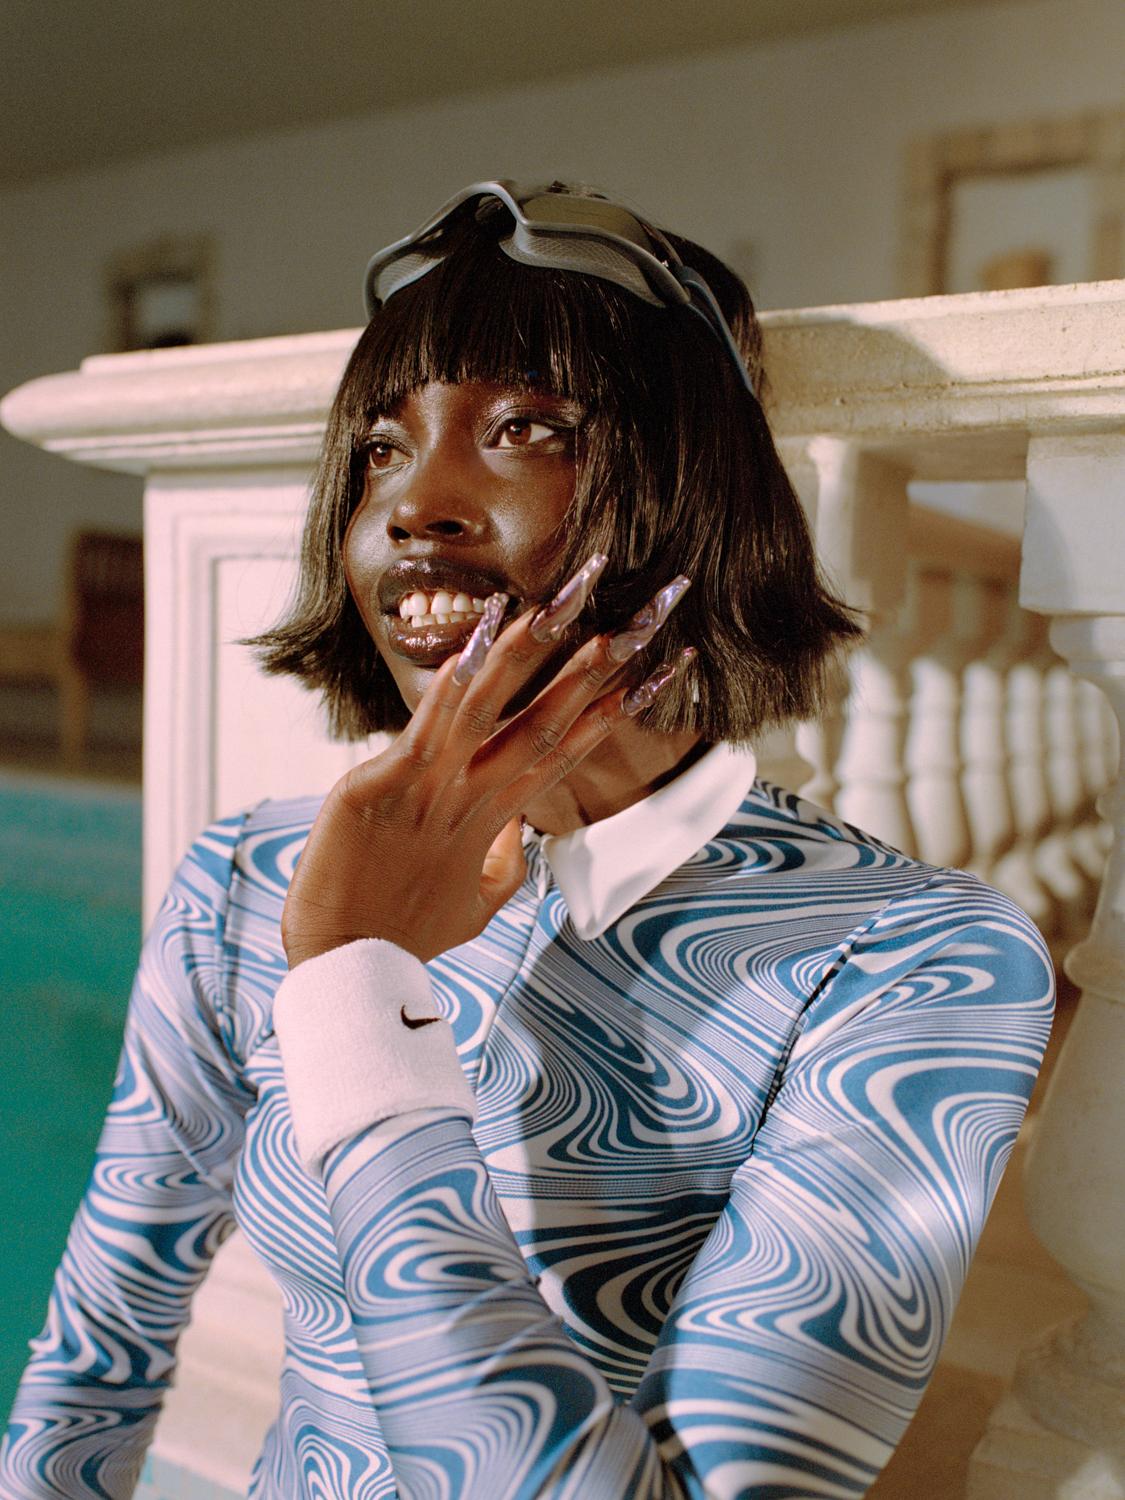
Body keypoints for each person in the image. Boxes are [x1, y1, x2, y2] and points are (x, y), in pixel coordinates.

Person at [1, 182, 1054, 1500]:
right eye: (380, 450)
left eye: (525, 429)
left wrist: (354, 991)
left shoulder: (919, 960)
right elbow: (97, 1352)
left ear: (693, 494)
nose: (415, 505)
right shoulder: (249, 875)